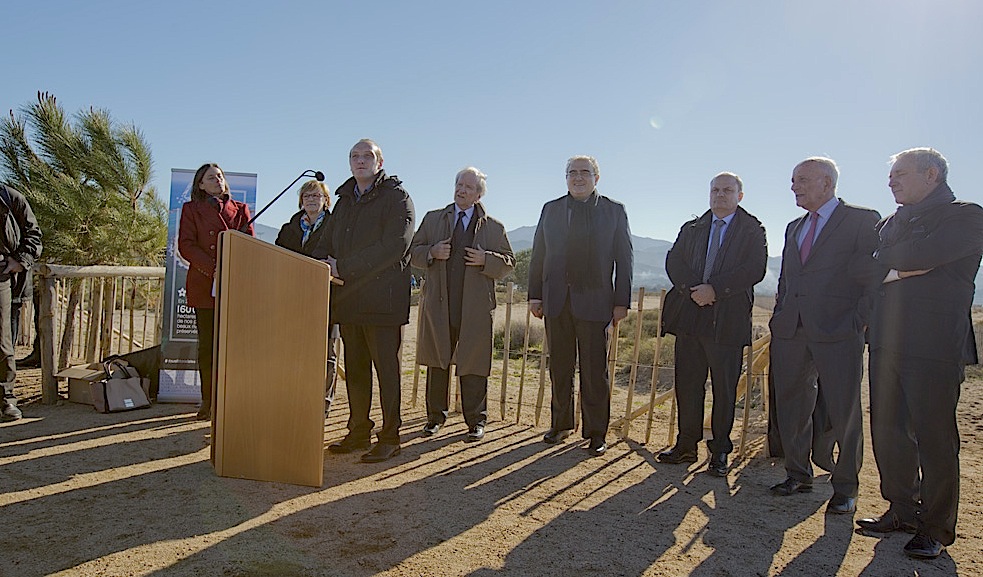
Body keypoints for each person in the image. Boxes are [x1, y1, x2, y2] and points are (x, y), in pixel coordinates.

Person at [859, 148, 983, 559]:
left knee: (934, 438)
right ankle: (901, 510)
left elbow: (924, 256)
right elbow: (868, 267)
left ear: (931, 174)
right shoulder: (890, 221)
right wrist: (894, 267)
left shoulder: (965, 215)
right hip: (885, 340)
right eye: (890, 174)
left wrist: (891, 265)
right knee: (890, 432)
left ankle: (935, 526)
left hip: (935, 344)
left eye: (900, 174)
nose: (891, 181)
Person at [768, 157, 881, 514]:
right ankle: (797, 473)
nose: (794, 187)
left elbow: (872, 275)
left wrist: (859, 321)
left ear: (827, 183)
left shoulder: (863, 220)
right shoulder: (793, 227)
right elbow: (788, 280)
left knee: (844, 409)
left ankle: (845, 487)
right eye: (792, 179)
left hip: (839, 330)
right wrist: (779, 317)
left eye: (801, 180)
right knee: (791, 404)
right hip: (791, 331)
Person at [659, 172, 767, 476]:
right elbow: (674, 261)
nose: (720, 195)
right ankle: (685, 445)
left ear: (739, 196)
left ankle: (720, 451)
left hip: (727, 320)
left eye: (727, 190)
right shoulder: (693, 227)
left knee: (724, 389)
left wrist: (715, 290)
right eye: (715, 190)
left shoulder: (752, 229)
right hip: (690, 314)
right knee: (688, 385)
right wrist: (695, 289)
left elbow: (754, 268)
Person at [316, 139, 414, 463]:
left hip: (383, 303)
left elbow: (395, 246)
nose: (360, 161)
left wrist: (344, 266)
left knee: (387, 373)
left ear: (380, 161)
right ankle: (359, 431)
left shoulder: (397, 197)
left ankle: (390, 436)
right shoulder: (344, 201)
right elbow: (326, 242)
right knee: (357, 371)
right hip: (350, 301)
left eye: (367, 156)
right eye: (354, 156)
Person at [528, 155, 632, 457]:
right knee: (559, 368)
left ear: (596, 178)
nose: (577, 178)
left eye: (584, 173)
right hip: (557, 300)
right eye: (572, 173)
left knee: (594, 371)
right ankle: (560, 424)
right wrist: (536, 295)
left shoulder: (613, 211)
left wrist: (621, 302)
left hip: (596, 301)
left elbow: (624, 260)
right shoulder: (551, 209)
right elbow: (539, 254)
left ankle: (596, 432)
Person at [410, 167, 515, 442]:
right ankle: (434, 418)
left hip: (475, 307)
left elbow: (508, 263)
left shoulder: (494, 228)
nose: (462, 190)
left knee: (474, 364)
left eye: (469, 186)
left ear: (479, 194)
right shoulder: (433, 220)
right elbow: (413, 253)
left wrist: (486, 259)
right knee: (437, 362)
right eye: (459, 184)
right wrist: (431, 252)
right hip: (439, 304)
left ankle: (476, 421)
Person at [177, 163, 254, 421]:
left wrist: (230, 268)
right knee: (208, 345)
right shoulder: (191, 210)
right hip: (204, 284)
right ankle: (208, 400)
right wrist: (214, 269)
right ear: (201, 184)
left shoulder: (241, 210)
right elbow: (185, 245)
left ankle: (231, 399)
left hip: (234, 284)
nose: (218, 180)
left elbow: (249, 244)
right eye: (211, 178)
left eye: (220, 176)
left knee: (233, 346)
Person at [275, 179, 340, 414]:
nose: (312, 200)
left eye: (317, 196)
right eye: (307, 196)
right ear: (301, 201)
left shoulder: (337, 227)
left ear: (326, 201)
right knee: (295, 350)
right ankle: (296, 397)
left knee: (325, 353)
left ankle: (323, 402)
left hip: (326, 298)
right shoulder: (287, 229)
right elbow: (277, 259)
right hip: (293, 298)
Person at [0, 184, 43, 422]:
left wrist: (20, 260)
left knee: (2, 339)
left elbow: (33, 235)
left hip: (2, 275)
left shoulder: (10, 197)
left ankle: (6, 399)